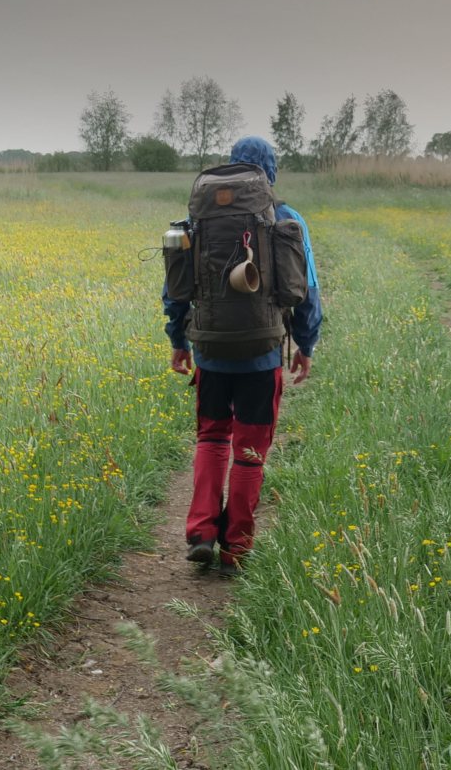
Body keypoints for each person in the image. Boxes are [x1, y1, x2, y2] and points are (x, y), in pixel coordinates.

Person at [163, 136, 323, 576]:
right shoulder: (286, 218)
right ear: (270, 171)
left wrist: (179, 340)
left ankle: (201, 533)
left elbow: (177, 287)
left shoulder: (198, 217)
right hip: (262, 354)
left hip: (211, 352)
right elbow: (306, 290)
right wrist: (305, 345)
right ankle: (236, 548)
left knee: (211, 438)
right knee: (250, 449)